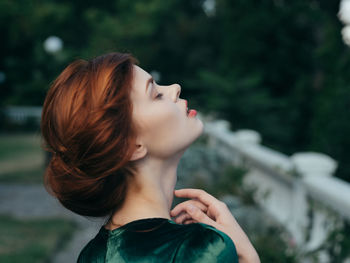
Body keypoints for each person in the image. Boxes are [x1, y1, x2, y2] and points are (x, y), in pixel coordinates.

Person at [41, 52, 260, 263]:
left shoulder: (90, 255)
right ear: (131, 145)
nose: (175, 88)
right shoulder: (204, 251)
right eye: (156, 95)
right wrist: (247, 257)